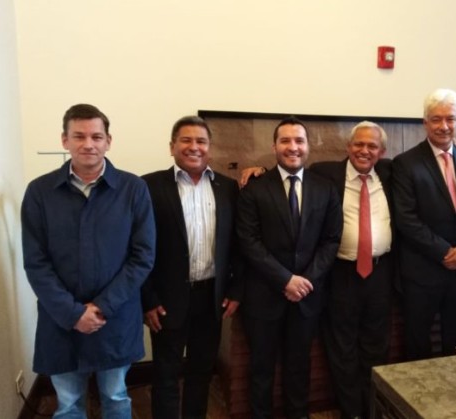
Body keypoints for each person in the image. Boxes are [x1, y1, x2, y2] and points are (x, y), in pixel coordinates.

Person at [21, 104, 156, 418]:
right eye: (78, 136)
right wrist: (73, 313)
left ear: (108, 141)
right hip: (61, 321)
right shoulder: (40, 192)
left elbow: (143, 256)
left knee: (117, 397)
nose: (88, 144)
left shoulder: (133, 189)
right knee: (68, 404)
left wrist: (101, 307)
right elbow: (36, 262)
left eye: (96, 136)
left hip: (115, 318)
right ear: (64, 140)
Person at [236, 117, 343, 419]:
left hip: (307, 296)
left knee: (299, 366)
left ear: (308, 146)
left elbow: (331, 240)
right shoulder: (254, 188)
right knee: (261, 367)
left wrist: (305, 280)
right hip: (264, 297)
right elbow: (249, 242)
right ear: (274, 146)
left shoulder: (325, 188)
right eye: (285, 140)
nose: (293, 147)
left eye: (299, 141)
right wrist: (286, 280)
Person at [141, 116, 241, 419]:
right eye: (186, 140)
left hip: (211, 298)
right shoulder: (148, 186)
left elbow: (237, 244)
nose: (194, 147)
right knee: (166, 373)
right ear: (172, 146)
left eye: (201, 141)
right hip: (166, 299)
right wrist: (147, 299)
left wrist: (235, 290)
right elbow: (138, 248)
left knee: (201, 371)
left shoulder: (228, 187)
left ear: (209, 147)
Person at [392, 88, 456, 360]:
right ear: (425, 122)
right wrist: (445, 252)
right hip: (421, 272)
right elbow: (406, 218)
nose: (444, 126)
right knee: (417, 345)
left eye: (451, 119)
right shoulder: (405, 163)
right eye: (436, 119)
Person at [310, 121, 396, 419]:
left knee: (377, 347)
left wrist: (455, 145)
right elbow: (290, 172)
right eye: (359, 144)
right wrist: (257, 171)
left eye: (372, 146)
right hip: (340, 274)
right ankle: (352, 413)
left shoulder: (390, 173)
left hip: (381, 273)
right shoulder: (325, 173)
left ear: (381, 152)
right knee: (342, 348)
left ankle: (372, 410)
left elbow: (426, 163)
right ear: (348, 147)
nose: (364, 150)